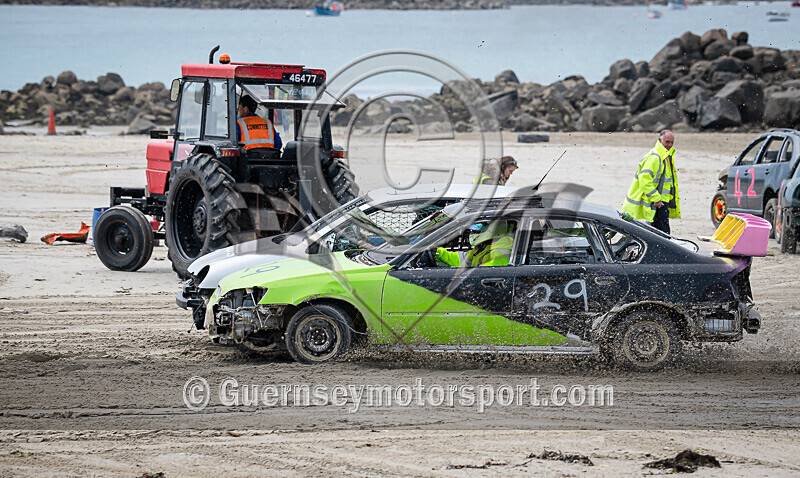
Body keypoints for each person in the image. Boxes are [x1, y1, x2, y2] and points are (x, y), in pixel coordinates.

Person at [621, 129, 680, 234]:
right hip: (657, 202)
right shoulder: (655, 157)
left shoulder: (666, 156)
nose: (670, 145)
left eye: (672, 142)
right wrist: (656, 198)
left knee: (659, 233)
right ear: (660, 140)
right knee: (663, 235)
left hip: (661, 201)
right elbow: (645, 179)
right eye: (667, 142)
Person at [435, 220, 514, 267]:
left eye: (477, 228)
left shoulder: (499, 253)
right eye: (472, 228)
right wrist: (437, 252)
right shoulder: (482, 248)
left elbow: (479, 276)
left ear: (495, 229)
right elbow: (461, 261)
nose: (472, 232)